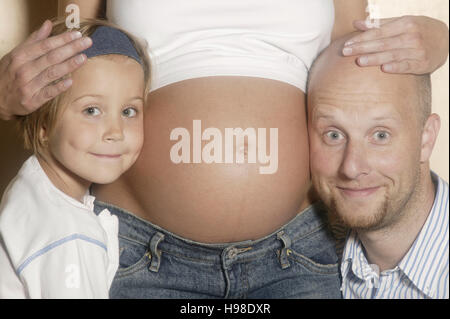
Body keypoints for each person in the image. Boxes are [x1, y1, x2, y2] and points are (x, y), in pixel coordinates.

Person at [0, 0, 448, 298]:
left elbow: (357, 60)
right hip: (142, 253)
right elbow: (69, 45)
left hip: (296, 251)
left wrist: (440, 39)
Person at [0, 19, 151, 298]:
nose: (116, 132)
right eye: (92, 110)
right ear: (43, 124)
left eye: (129, 111)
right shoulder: (69, 233)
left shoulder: (33, 189)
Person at [307, 34, 449, 299]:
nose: (351, 167)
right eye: (334, 135)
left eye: (380, 135)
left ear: (425, 138)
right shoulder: (301, 256)